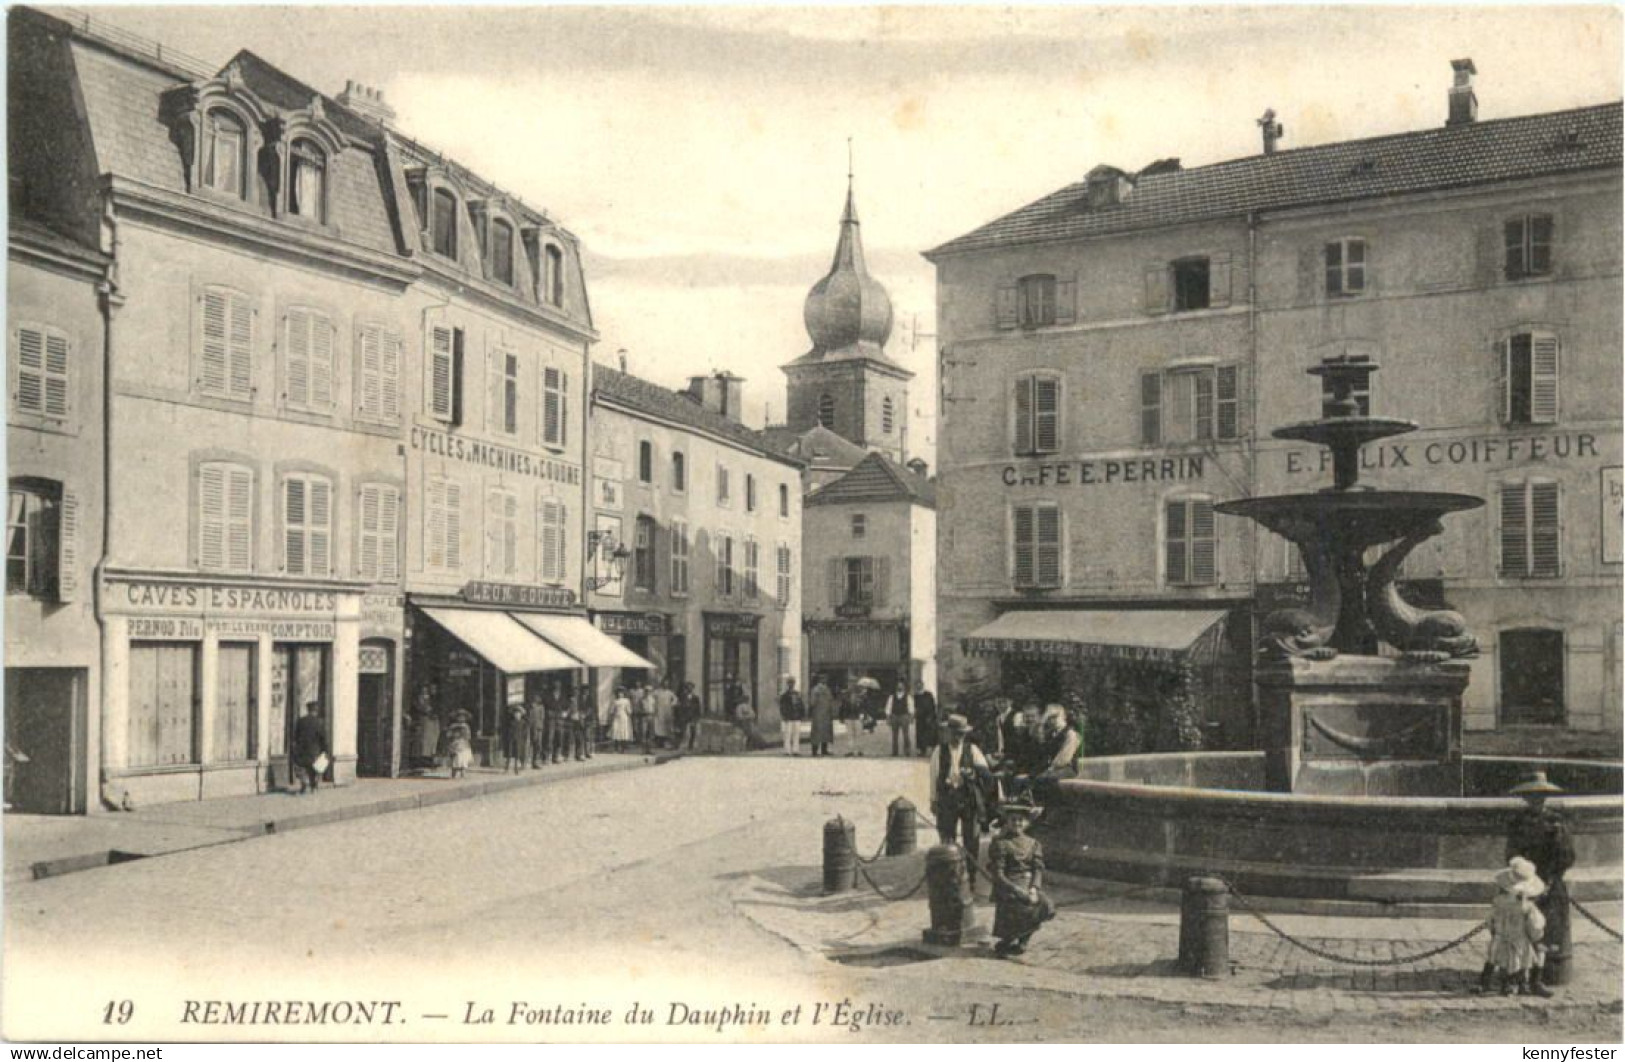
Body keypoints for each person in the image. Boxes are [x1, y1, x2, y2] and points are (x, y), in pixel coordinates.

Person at [1506, 771, 1575, 991]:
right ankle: (1518, 975)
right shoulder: (1517, 823)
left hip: (1551, 881)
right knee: (1521, 930)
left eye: (1541, 795)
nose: (1537, 800)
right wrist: (1521, 873)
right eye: (1533, 796)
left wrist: (1559, 843)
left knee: (1548, 932)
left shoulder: (1557, 821)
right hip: (1526, 882)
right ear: (1525, 798)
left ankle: (1543, 977)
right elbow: (1511, 854)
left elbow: (1569, 855)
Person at [987, 798, 1056, 958]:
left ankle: (1023, 940)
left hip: (1028, 883)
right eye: (1013, 820)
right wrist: (1018, 890)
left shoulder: (1033, 843)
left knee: (1046, 905)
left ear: (1026, 823)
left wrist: (1033, 888)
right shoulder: (1001, 843)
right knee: (1019, 906)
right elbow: (998, 874)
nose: (1017, 823)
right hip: (1008, 885)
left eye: (1020, 820)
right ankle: (1009, 939)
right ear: (1007, 822)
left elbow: (1037, 869)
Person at [1476, 857, 1551, 997]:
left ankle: (1485, 983)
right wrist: (1536, 937)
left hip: (1500, 937)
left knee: (1495, 958)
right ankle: (1527, 983)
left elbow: (1490, 920)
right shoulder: (1527, 908)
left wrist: (1495, 931)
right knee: (1525, 958)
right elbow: (1534, 926)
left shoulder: (1498, 902)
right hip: (1519, 938)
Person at [930, 714, 993, 878]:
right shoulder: (939, 751)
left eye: (961, 734)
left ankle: (971, 875)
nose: (957, 737)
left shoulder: (972, 750)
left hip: (968, 798)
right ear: (948, 732)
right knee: (946, 836)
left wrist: (972, 775)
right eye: (954, 733)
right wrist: (933, 799)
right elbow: (933, 777)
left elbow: (986, 775)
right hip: (947, 797)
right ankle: (950, 872)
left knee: (971, 839)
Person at [292, 701, 329, 795]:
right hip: (314, 750)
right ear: (316, 710)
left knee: (303, 767)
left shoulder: (301, 721)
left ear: (308, 710)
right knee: (314, 768)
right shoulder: (319, 722)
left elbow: (295, 736)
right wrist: (325, 750)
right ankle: (314, 787)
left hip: (302, 749)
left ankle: (304, 785)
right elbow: (322, 737)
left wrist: (296, 747)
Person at [408, 686, 440, 771]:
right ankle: (418, 759)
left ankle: (428, 758)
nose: (425, 695)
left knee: (429, 742)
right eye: (423, 693)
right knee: (420, 742)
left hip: (430, 724)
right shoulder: (417, 703)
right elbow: (421, 709)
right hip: (421, 723)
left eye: (426, 693)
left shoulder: (431, 702)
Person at [808, 675, 836, 757]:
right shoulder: (816, 689)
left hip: (825, 714)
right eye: (823, 679)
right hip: (819, 714)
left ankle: (824, 750)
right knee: (817, 732)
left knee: (825, 733)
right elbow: (812, 702)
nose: (825, 680)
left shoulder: (827, 689)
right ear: (819, 680)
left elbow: (830, 700)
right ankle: (815, 751)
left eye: (825, 679)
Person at [885, 680, 915, 757]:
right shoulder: (892, 697)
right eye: (898, 685)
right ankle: (895, 752)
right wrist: (888, 717)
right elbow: (888, 707)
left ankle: (907, 751)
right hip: (894, 716)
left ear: (904, 687)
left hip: (904, 716)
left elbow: (911, 707)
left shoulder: (908, 697)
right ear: (896, 687)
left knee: (906, 734)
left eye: (901, 685)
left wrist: (911, 717)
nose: (900, 687)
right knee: (894, 735)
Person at [550, 682, 576, 763]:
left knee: (565, 739)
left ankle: (564, 755)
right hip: (558, 721)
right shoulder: (554, 697)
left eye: (558, 687)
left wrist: (566, 713)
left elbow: (568, 709)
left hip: (565, 722)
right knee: (557, 739)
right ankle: (556, 756)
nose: (557, 688)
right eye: (556, 687)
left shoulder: (565, 699)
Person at [779, 678, 807, 756]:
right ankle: (787, 750)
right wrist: (784, 715)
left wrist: (802, 714)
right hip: (789, 716)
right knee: (788, 734)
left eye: (792, 683)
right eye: (790, 683)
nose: (791, 685)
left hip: (797, 716)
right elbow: (782, 706)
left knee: (796, 734)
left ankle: (796, 750)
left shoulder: (797, 694)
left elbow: (801, 705)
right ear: (787, 684)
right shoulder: (784, 695)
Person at [913, 680, 939, 759]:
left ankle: (932, 749)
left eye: (920, 685)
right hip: (919, 718)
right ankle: (921, 750)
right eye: (917, 685)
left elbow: (933, 706)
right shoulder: (915, 696)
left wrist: (931, 716)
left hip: (929, 717)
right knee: (920, 733)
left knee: (930, 733)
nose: (919, 687)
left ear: (922, 685)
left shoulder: (928, 695)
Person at [501, 700, 528, 774]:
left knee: (517, 754)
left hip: (519, 740)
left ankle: (516, 768)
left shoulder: (523, 723)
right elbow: (507, 731)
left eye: (518, 714)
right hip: (511, 739)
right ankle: (507, 768)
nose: (517, 715)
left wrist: (523, 740)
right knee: (509, 754)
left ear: (521, 715)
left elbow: (525, 733)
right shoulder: (511, 722)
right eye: (515, 714)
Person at [444, 711, 474, 779]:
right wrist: (452, 734)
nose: (461, 719)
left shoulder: (466, 726)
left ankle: (463, 774)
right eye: (459, 717)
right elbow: (448, 734)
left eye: (463, 717)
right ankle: (453, 774)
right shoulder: (453, 726)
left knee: (463, 759)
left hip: (464, 744)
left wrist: (465, 736)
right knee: (455, 759)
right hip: (455, 744)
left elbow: (468, 736)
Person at [528, 686, 552, 768]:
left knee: (538, 744)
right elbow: (529, 718)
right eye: (536, 697)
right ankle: (529, 760)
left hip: (538, 728)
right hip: (531, 728)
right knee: (531, 743)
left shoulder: (541, 707)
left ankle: (536, 761)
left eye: (538, 697)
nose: (537, 699)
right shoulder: (530, 707)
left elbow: (542, 718)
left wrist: (540, 728)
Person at [840, 683, 866, 756]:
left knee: (859, 734)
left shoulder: (861, 697)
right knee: (849, 735)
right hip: (848, 717)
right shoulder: (845, 697)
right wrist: (841, 717)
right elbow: (842, 707)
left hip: (858, 717)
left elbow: (864, 707)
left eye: (853, 684)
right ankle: (850, 750)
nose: (852, 687)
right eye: (850, 684)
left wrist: (864, 715)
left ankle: (859, 750)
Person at [650, 677, 677, 748]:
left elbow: (675, 699)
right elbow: (651, 697)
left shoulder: (670, 692)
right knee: (658, 726)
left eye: (667, 684)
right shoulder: (657, 692)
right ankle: (659, 742)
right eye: (664, 683)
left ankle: (666, 742)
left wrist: (671, 705)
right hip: (659, 710)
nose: (666, 685)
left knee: (666, 727)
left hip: (667, 711)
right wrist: (654, 705)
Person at [676, 681, 702, 751]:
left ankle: (690, 745)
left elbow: (698, 708)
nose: (689, 689)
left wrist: (697, 717)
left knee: (693, 731)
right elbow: (680, 707)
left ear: (693, 689)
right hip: (684, 716)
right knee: (683, 731)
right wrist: (681, 715)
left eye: (691, 687)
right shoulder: (682, 697)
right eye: (688, 687)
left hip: (692, 716)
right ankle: (682, 744)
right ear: (686, 688)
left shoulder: (696, 698)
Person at [629, 681, 653, 754]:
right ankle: (643, 749)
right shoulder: (641, 700)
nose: (647, 692)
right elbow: (639, 708)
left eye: (649, 691)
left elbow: (655, 707)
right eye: (646, 691)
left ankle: (649, 749)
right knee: (643, 732)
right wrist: (642, 712)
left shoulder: (653, 699)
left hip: (651, 716)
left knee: (650, 733)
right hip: (644, 716)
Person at [609, 687, 634, 752]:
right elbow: (611, 710)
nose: (620, 694)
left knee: (623, 732)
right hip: (617, 717)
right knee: (616, 731)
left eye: (621, 693)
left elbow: (629, 710)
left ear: (623, 694)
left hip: (624, 717)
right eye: (619, 693)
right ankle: (616, 748)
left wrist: (629, 714)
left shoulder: (626, 701)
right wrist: (611, 716)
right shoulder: (615, 701)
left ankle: (623, 748)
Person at [576, 684, 596, 759]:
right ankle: (581, 753)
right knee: (581, 736)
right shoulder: (579, 698)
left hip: (588, 719)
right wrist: (581, 715)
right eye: (584, 690)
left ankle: (588, 752)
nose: (586, 692)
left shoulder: (590, 698)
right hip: (580, 718)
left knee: (588, 736)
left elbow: (591, 708)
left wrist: (585, 715)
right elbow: (578, 708)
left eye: (587, 690)